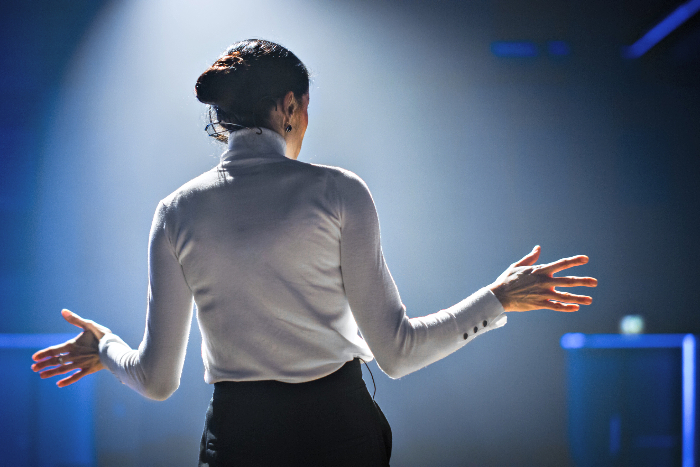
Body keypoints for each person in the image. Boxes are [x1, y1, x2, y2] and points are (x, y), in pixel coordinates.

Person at [31, 39, 597, 466]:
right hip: (340, 436)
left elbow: (156, 381)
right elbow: (397, 354)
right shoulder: (338, 191)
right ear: (290, 107)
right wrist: (497, 298)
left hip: (237, 441)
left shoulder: (176, 212)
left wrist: (103, 346)